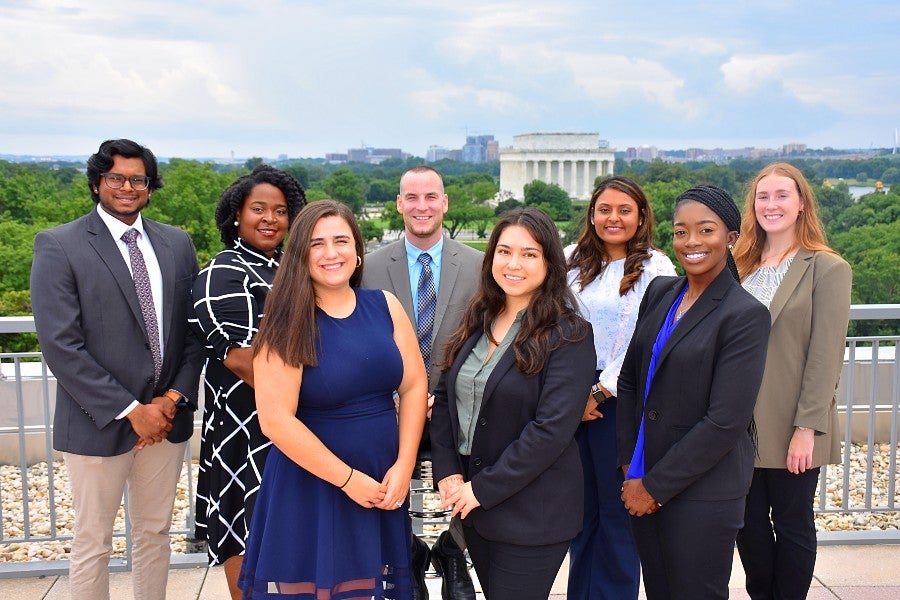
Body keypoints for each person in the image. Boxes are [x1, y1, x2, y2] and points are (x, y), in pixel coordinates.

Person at [30, 138, 203, 600]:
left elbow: (193, 332)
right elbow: (61, 345)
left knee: (154, 536)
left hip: (166, 421)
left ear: (150, 187)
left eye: (138, 179)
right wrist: (131, 410)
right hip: (96, 421)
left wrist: (167, 403)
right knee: (93, 543)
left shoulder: (177, 243)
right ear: (96, 182)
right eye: (116, 178)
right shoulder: (59, 245)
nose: (127, 187)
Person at [237, 200, 429, 599]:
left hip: (381, 479)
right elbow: (275, 420)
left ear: (357, 250)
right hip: (314, 484)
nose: (331, 253)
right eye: (316, 244)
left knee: (371, 588)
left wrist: (404, 465)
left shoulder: (386, 307)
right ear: (300, 255)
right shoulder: (287, 322)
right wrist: (346, 479)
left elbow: (413, 386)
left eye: (340, 241)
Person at [430, 207, 597, 600]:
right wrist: (448, 472)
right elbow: (444, 397)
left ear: (549, 262)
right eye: (504, 251)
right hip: (476, 510)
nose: (513, 264)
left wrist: (480, 490)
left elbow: (551, 430)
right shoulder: (479, 316)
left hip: (533, 514)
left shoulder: (569, 334)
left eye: (529, 253)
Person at [616, 185, 771, 600]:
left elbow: (725, 421)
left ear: (731, 236)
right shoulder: (661, 292)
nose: (692, 242)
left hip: (704, 492)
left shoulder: (745, 315)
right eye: (681, 231)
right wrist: (631, 470)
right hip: (642, 477)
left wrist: (654, 487)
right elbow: (630, 380)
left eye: (706, 230)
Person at [362, 165, 482, 600]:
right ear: (399, 204)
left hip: (459, 406)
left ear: (445, 202)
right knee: (384, 487)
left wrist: (443, 394)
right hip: (389, 405)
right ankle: (407, 553)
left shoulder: (479, 265)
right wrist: (399, 393)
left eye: (431, 196)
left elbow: (490, 336)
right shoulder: (369, 268)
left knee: (479, 479)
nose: (421, 206)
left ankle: (453, 550)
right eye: (411, 198)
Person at [733, 163, 852, 600]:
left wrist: (808, 428)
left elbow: (826, 357)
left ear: (801, 203)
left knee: (792, 523)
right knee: (746, 524)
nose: (771, 205)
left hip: (794, 422)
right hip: (737, 423)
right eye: (763, 196)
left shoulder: (827, 268)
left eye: (782, 195)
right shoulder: (738, 266)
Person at [190, 165, 307, 599]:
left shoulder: (287, 270)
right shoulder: (225, 272)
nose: (270, 219)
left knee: (286, 533)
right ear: (235, 214)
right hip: (247, 428)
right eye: (258, 208)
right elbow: (245, 362)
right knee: (245, 529)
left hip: (289, 424)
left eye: (280, 211)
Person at [565, 176, 676, 600]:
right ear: (592, 214)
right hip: (571, 404)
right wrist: (572, 393)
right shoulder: (570, 260)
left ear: (641, 216)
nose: (613, 218)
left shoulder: (656, 268)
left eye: (624, 210)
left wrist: (599, 392)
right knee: (582, 515)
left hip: (620, 405)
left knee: (617, 516)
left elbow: (645, 338)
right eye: (605, 209)